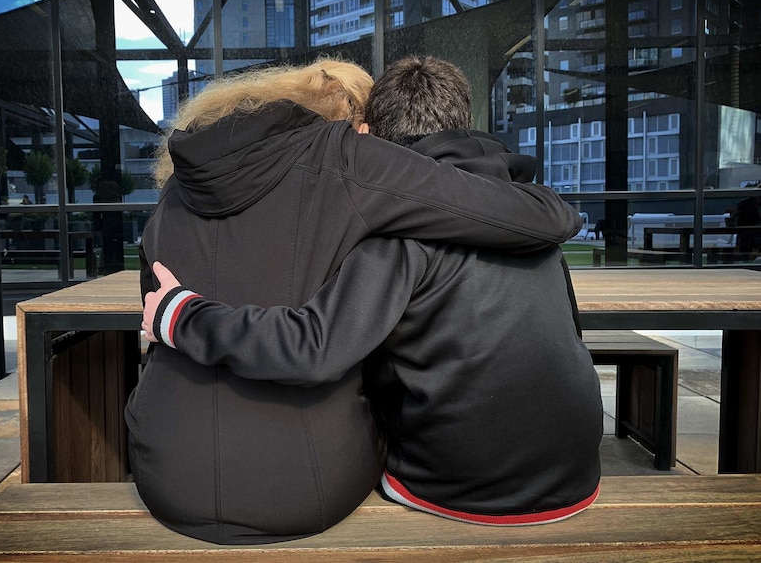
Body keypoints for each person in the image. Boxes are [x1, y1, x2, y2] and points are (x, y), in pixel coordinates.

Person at [128, 57, 584, 544]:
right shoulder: (351, 159)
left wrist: (180, 315)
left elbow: (159, 309)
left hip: (162, 467)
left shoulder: (178, 188)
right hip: (308, 485)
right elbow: (541, 219)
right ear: (361, 127)